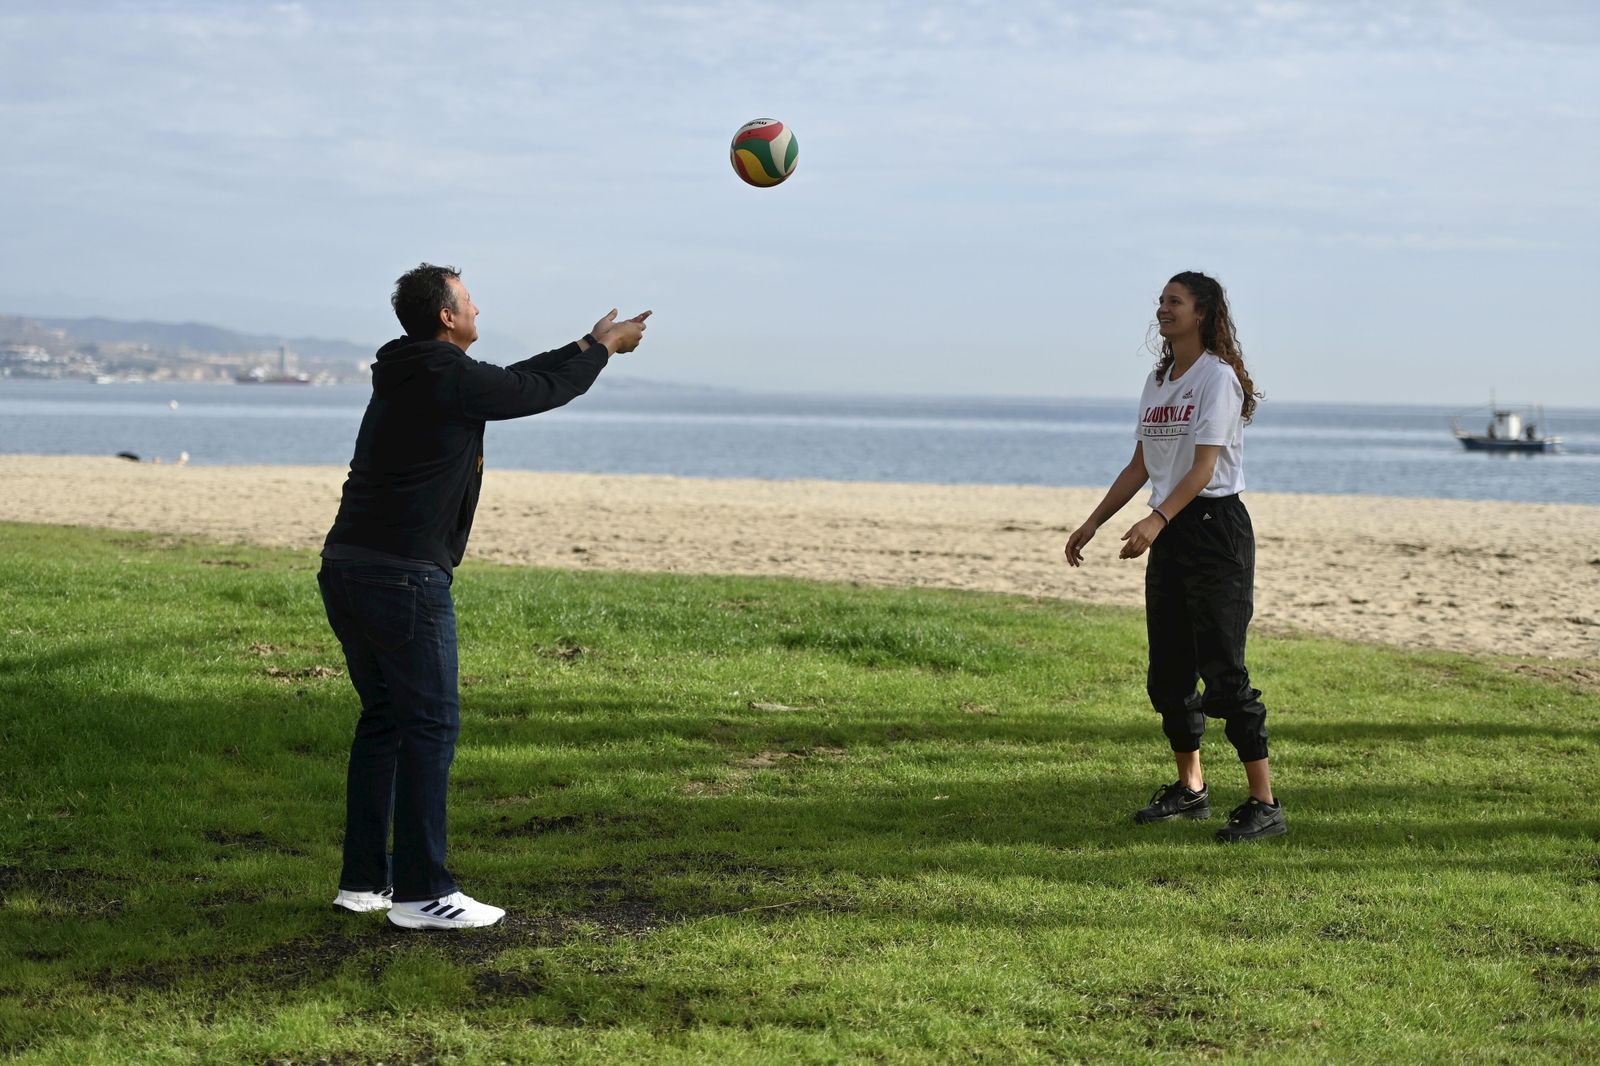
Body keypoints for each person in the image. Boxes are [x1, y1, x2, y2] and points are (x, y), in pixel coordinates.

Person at [319, 263, 651, 927]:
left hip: (349, 566)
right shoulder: (443, 374)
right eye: (467, 301)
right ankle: (421, 894)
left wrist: (589, 344)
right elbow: (532, 391)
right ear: (446, 317)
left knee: (385, 721)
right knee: (430, 726)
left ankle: (364, 885)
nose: (477, 309)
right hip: (401, 574)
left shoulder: (419, 370)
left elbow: (514, 379)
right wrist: (604, 354)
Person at [1063, 271, 1284, 843]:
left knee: (1224, 674)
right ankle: (1191, 791)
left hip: (1214, 531)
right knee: (1168, 674)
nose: (1162, 309)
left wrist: (1157, 519)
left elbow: (1204, 468)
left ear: (1203, 313)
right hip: (1171, 534)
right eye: (1161, 301)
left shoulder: (1217, 379)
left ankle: (1264, 804)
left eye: (1175, 302)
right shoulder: (1160, 379)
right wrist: (1094, 521)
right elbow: (1142, 464)